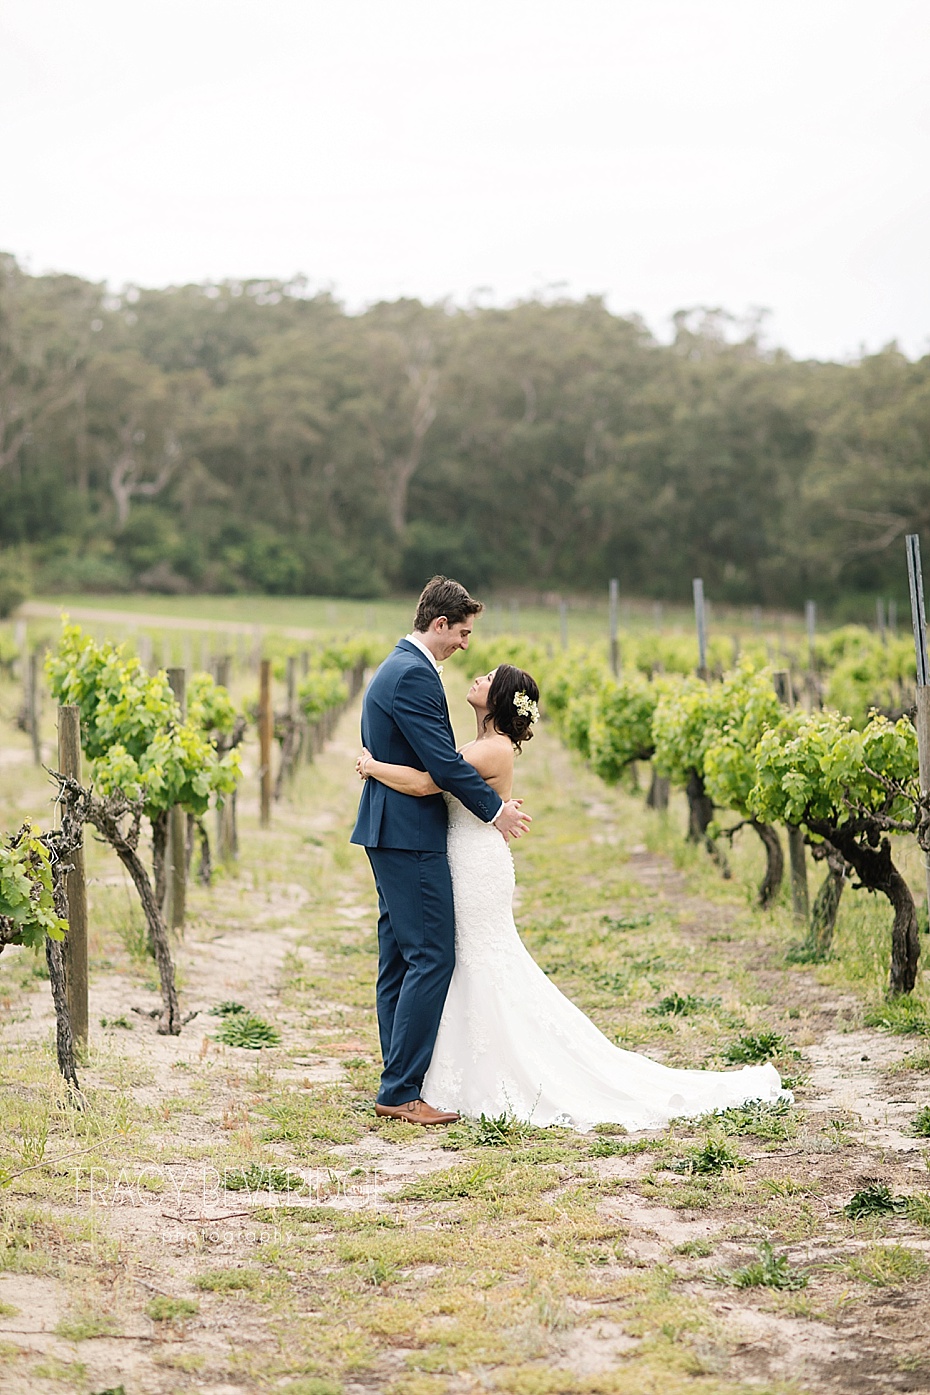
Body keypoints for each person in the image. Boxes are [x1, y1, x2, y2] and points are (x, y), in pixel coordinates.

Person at [357, 661, 789, 1133]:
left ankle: (462, 1074)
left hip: (475, 865)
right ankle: (431, 1073)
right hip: (462, 855)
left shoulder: (492, 751)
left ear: (498, 698)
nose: (476, 678)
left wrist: (371, 764)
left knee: (476, 959)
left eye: (488, 678)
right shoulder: (482, 746)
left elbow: (425, 782)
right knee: (458, 959)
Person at [350, 576, 532, 1127]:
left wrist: (374, 767)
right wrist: (495, 811)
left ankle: (402, 1078)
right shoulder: (413, 677)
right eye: (463, 633)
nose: (466, 645)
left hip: (394, 831)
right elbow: (442, 769)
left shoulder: (401, 667)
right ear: (439, 625)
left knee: (402, 958)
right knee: (432, 955)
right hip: (410, 835)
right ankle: (402, 1090)